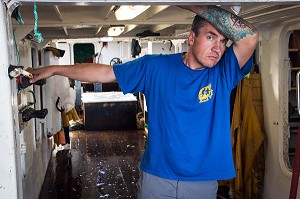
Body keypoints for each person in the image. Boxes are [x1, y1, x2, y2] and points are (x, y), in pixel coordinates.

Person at [29, 5, 258, 199]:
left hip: (202, 182)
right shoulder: (154, 66)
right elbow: (104, 73)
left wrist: (188, 2)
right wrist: (54, 69)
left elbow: (250, 35)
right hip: (156, 178)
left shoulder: (223, 72)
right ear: (191, 38)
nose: (217, 48)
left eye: (223, 41)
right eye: (210, 37)